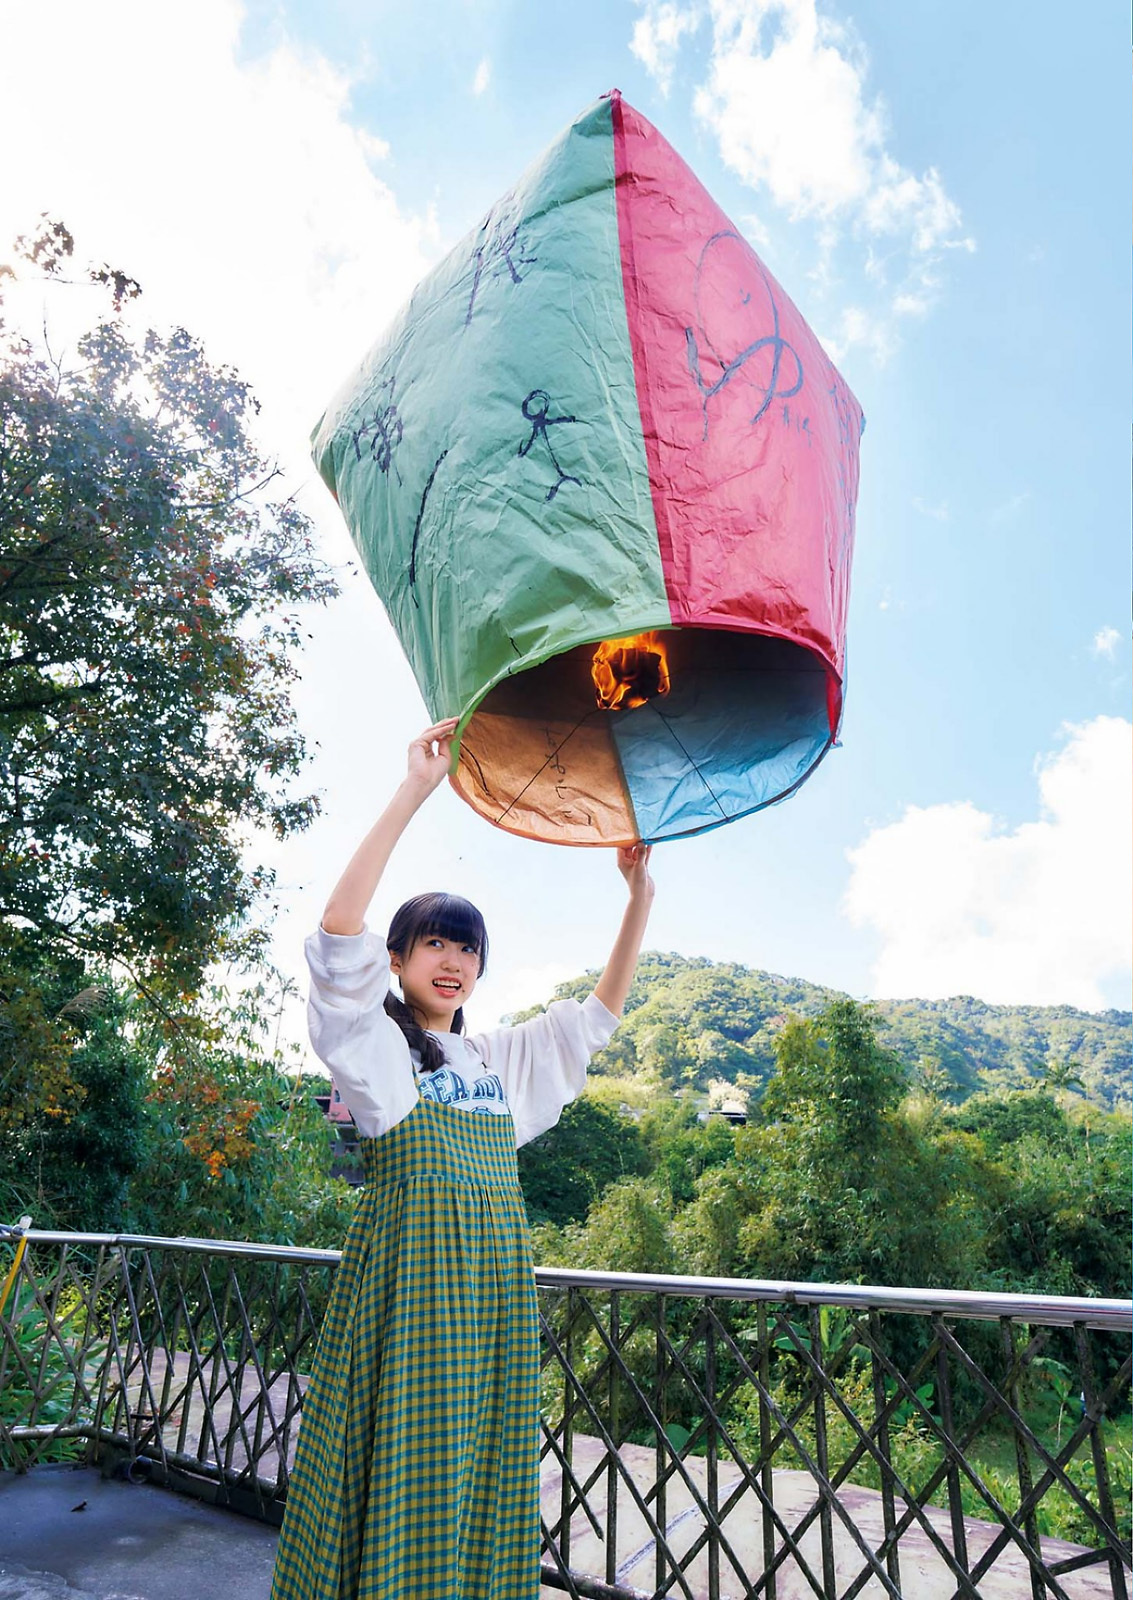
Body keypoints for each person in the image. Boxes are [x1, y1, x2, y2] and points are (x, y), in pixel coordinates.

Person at [270, 718, 655, 1600]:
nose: (454, 961)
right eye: (435, 943)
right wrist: (415, 788)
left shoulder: (494, 1060)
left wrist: (638, 896)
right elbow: (337, 933)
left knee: (481, 1457)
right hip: (408, 1283)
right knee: (398, 1449)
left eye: (468, 946)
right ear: (398, 959)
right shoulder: (378, 1049)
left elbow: (598, 1015)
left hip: (491, 1290)